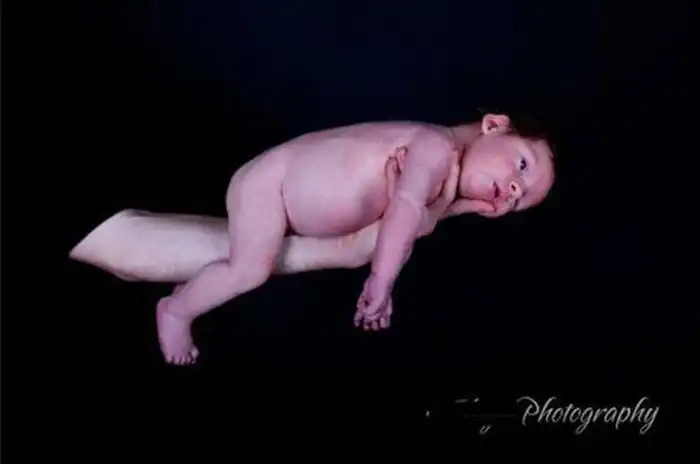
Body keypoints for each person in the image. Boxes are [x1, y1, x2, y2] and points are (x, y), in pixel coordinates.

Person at [70, 113, 555, 364]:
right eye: (521, 165)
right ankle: (176, 310)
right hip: (269, 186)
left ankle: (191, 292)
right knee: (249, 268)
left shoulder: (440, 181)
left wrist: (465, 206)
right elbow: (405, 210)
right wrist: (382, 281)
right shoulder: (434, 147)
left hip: (282, 199)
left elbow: (421, 216)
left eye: (519, 199)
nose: (514, 188)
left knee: (246, 264)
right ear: (494, 125)